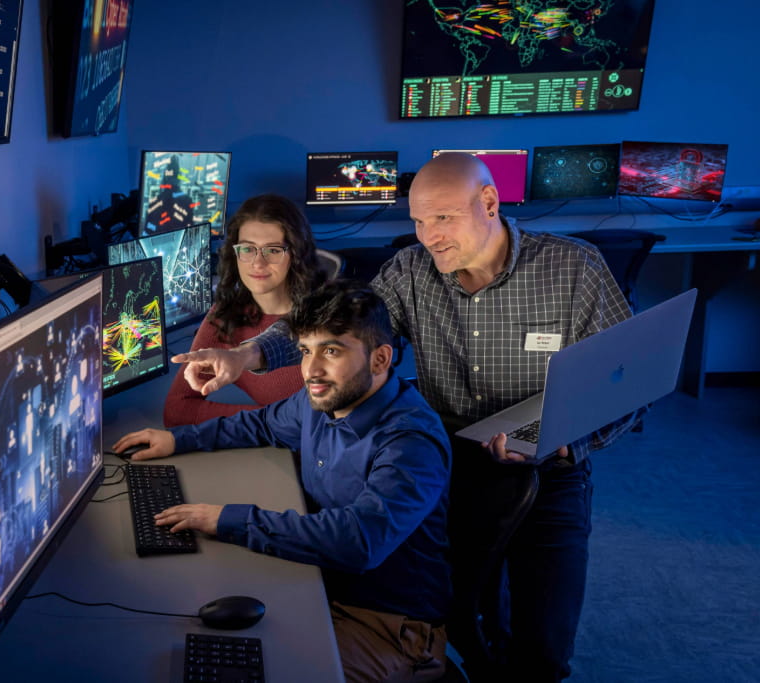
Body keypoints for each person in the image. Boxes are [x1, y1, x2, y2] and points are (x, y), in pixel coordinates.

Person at [172, 152, 637, 681]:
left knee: (541, 651)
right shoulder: (413, 269)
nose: (428, 235)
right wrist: (244, 356)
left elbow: (626, 380)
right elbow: (337, 323)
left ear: (489, 202)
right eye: (418, 220)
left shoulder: (573, 268)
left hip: (546, 471)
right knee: (457, 605)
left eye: (442, 218)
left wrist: (562, 439)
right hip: (445, 461)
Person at [117, 280, 452, 682]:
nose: (311, 369)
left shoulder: (409, 440)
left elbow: (357, 541)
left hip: (387, 624)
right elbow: (261, 423)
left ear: (380, 359)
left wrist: (227, 520)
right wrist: (177, 439)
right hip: (322, 585)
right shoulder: (321, 399)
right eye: (306, 350)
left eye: (331, 350)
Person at [162, 193, 323, 427]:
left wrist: (271, 419)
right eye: (247, 249)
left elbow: (326, 420)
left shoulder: (326, 314)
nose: (258, 263)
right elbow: (177, 409)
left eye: (273, 250)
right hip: (280, 450)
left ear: (296, 254)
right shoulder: (228, 316)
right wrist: (270, 419)